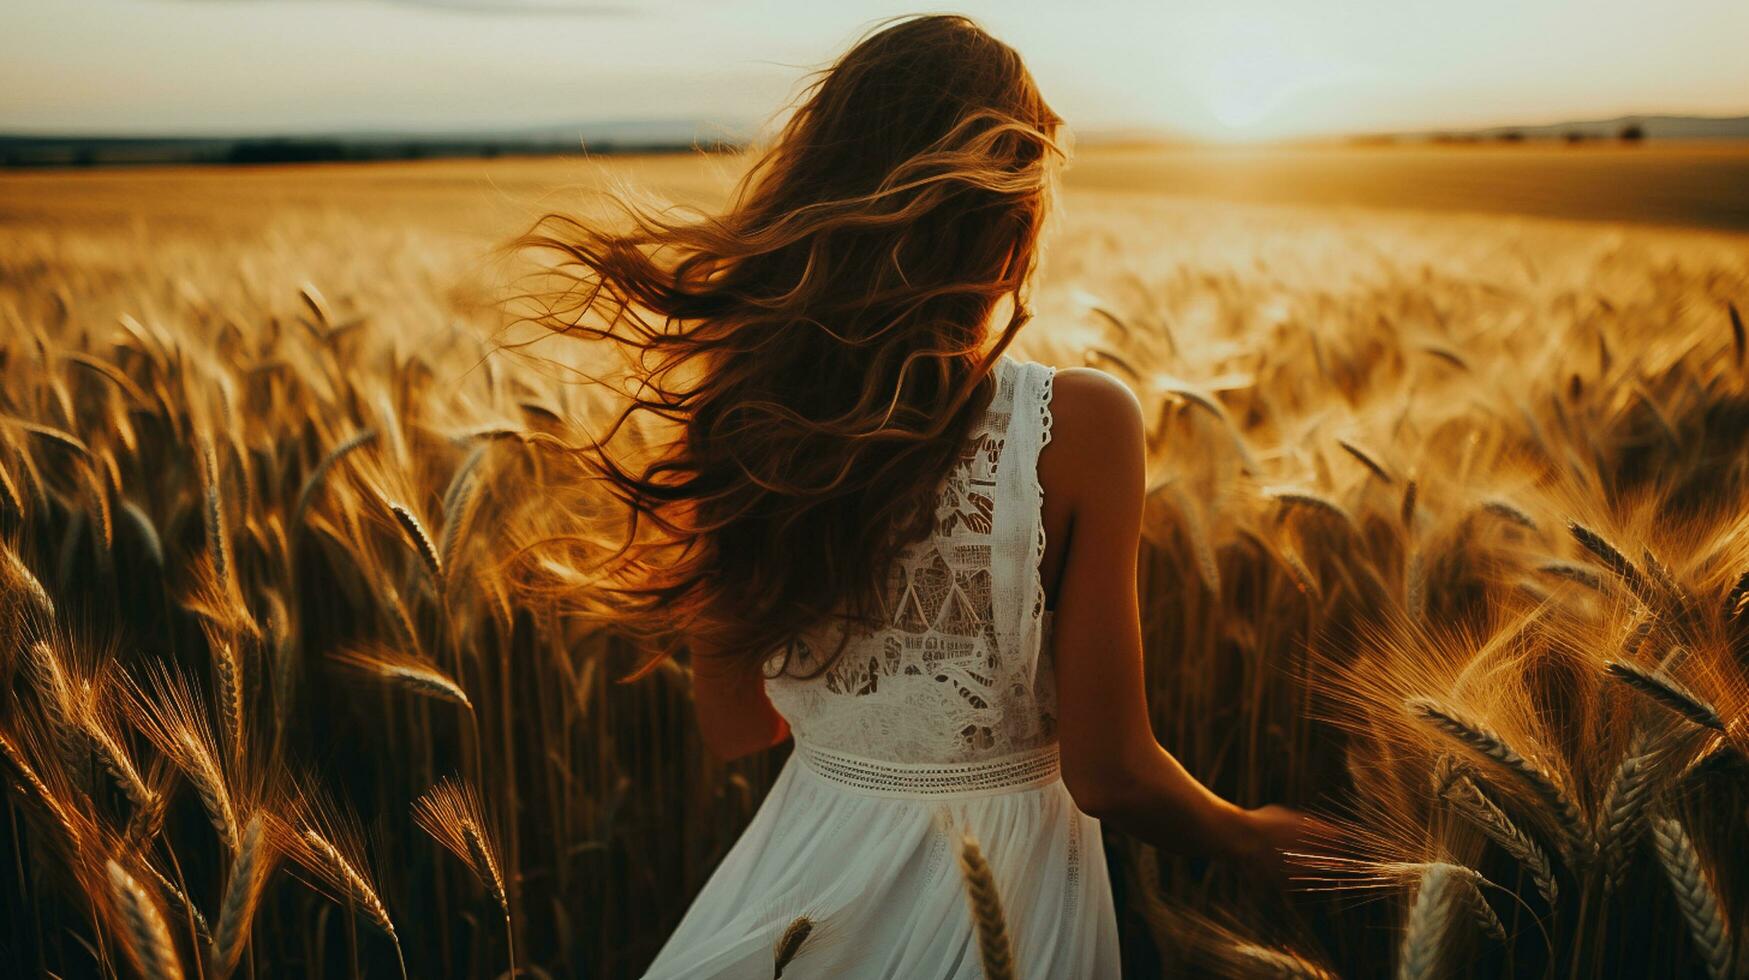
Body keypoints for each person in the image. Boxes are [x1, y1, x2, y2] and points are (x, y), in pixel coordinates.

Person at [516, 14, 1325, 978]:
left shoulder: (742, 416)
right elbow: (1109, 771)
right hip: (1012, 892)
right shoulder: (1080, 425)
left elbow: (738, 729)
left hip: (800, 878)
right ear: (1011, 210)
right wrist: (1248, 836)